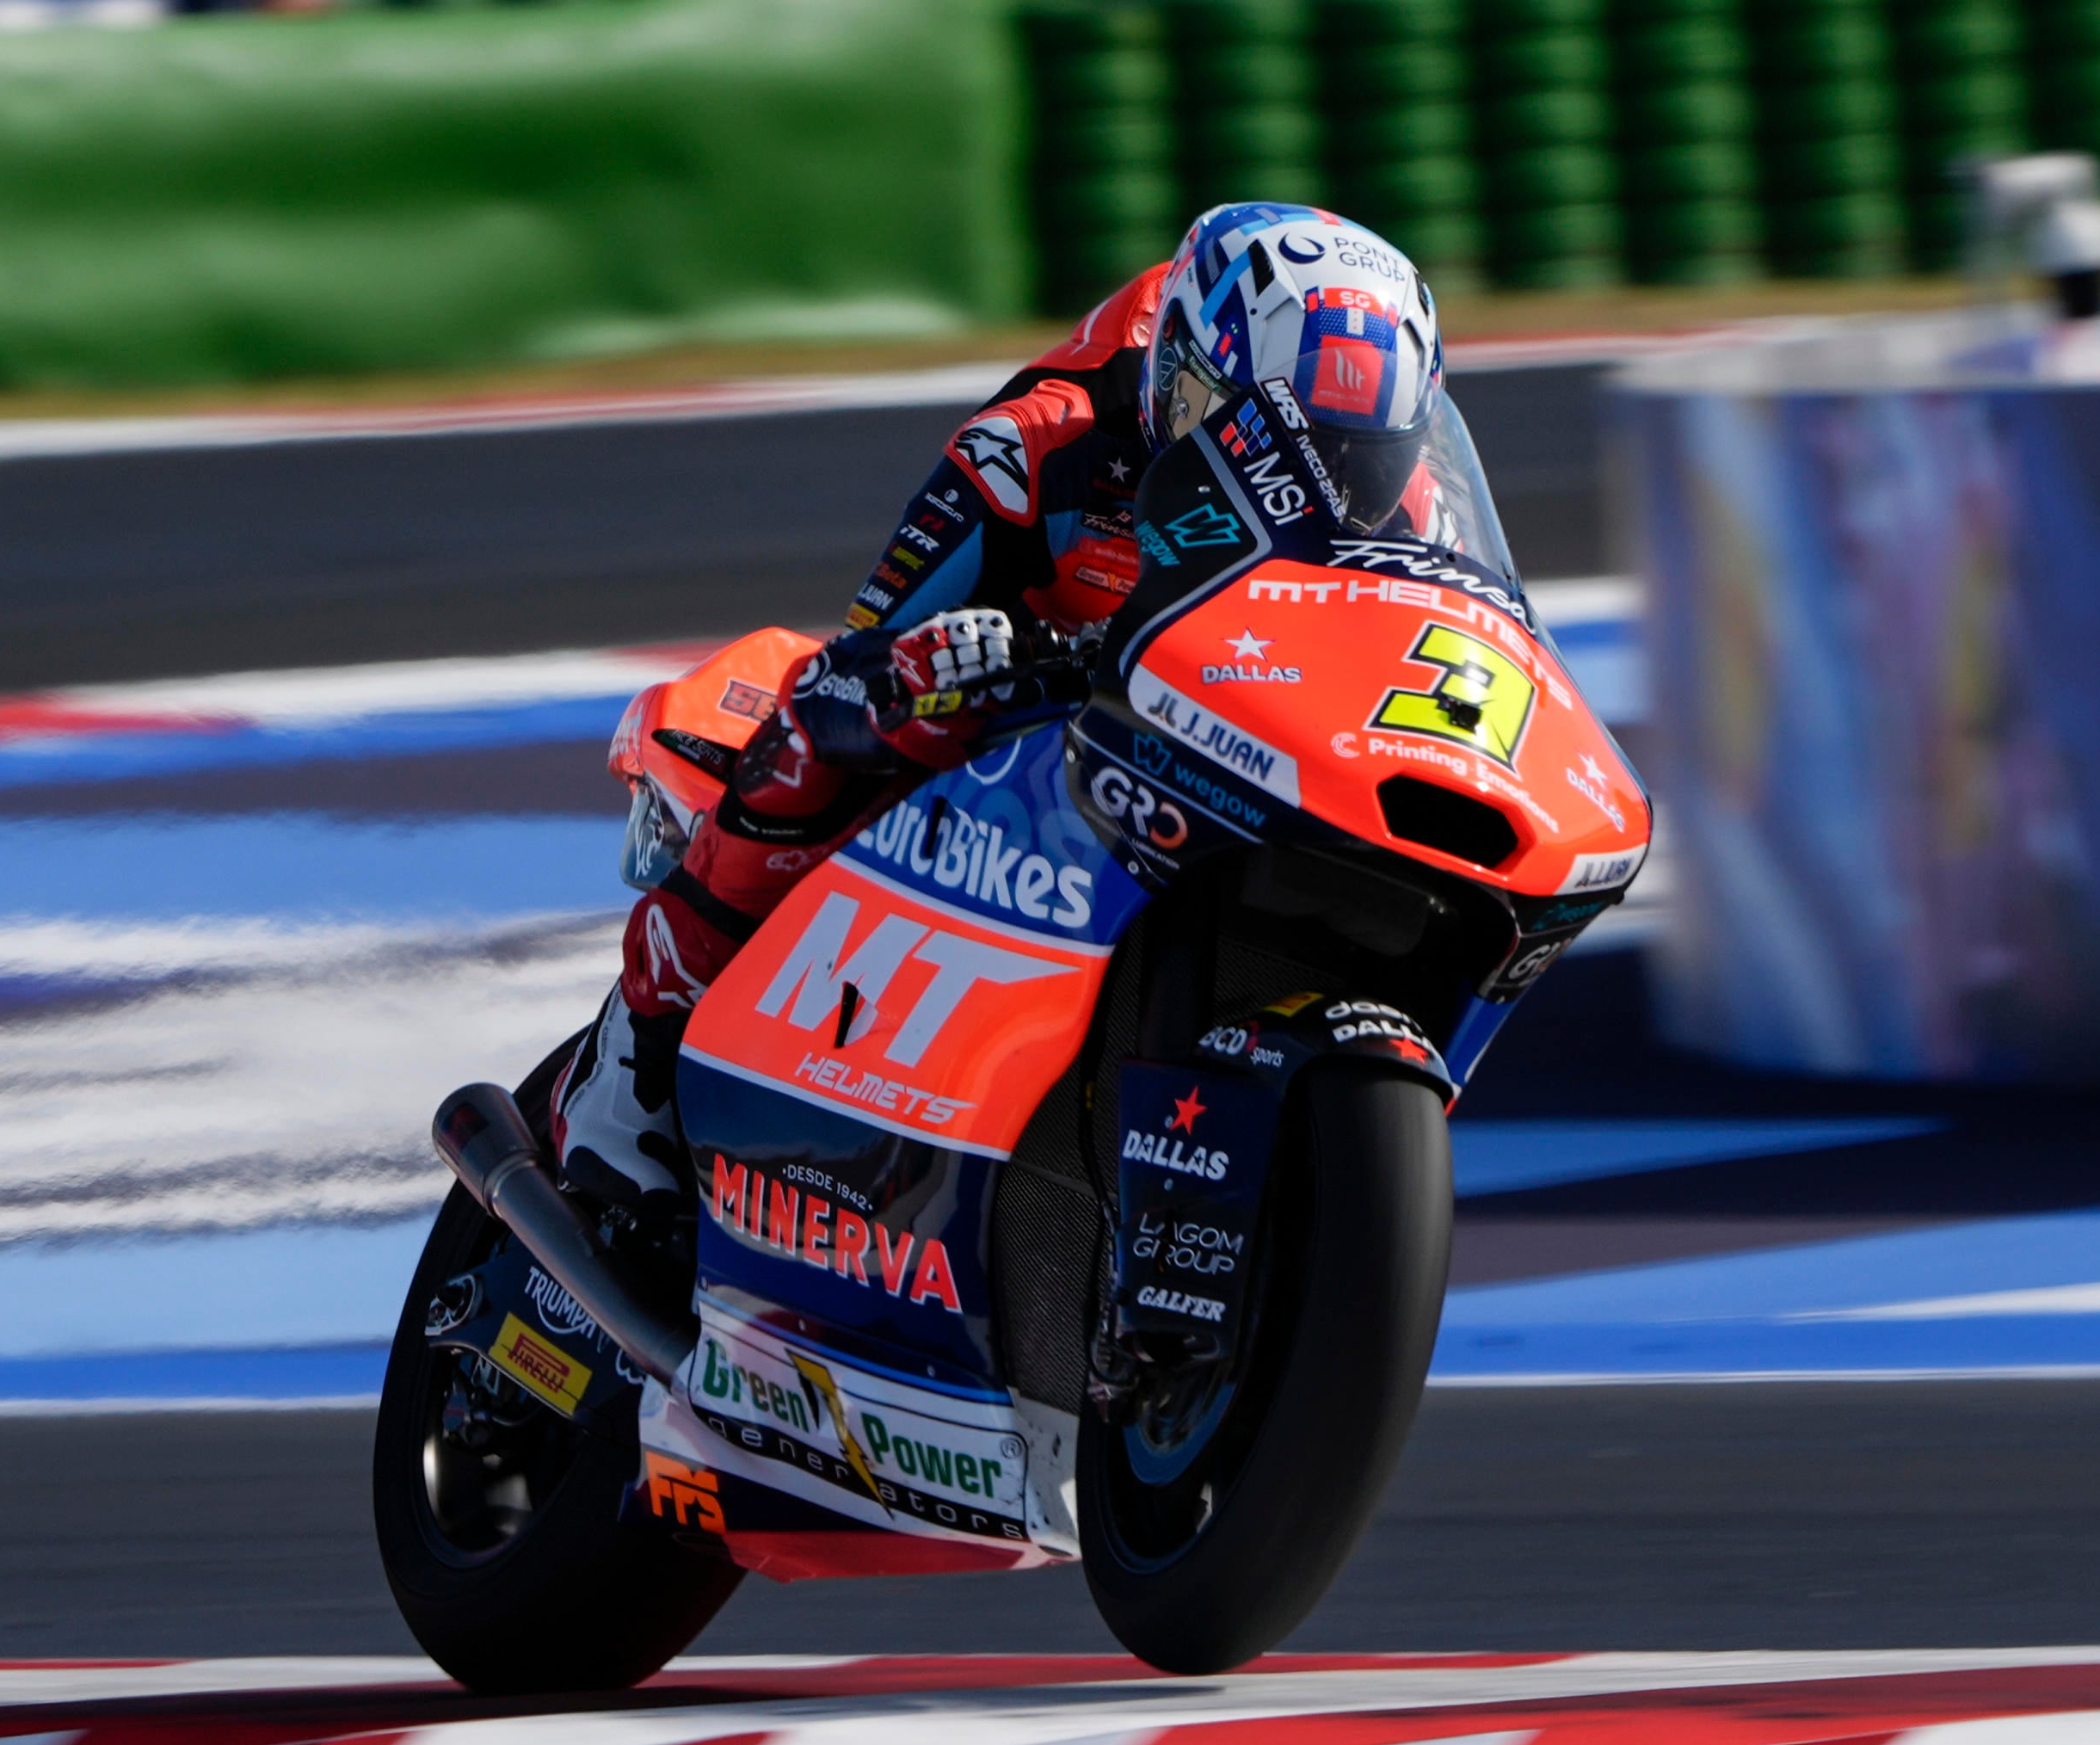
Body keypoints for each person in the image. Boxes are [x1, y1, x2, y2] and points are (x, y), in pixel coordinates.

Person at [546, 200, 1450, 1224]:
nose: (1317, 488)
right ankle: (637, 1049)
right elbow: (856, 656)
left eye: (1359, 459)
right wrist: (966, 660)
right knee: (827, 717)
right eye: (1253, 435)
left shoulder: (1412, 508)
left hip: (1221, 744)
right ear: (1177, 373)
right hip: (1023, 727)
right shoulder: (1037, 451)